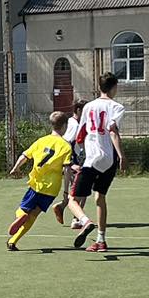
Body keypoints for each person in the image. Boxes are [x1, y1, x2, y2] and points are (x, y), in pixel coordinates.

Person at [67, 73, 127, 252]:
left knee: (72, 199)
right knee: (100, 197)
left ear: (99, 87)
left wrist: (80, 152)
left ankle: (85, 222)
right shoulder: (118, 107)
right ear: (114, 88)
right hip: (109, 159)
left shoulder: (88, 107)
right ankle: (101, 240)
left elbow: (81, 135)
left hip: (92, 159)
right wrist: (121, 156)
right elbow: (113, 130)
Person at [5, 111, 76, 251]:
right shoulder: (66, 146)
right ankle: (13, 241)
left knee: (23, 210)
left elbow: (25, 155)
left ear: (52, 125)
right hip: (51, 189)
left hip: (37, 184)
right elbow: (67, 169)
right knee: (34, 215)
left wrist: (15, 168)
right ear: (64, 126)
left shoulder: (41, 141)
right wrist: (66, 191)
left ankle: (21, 216)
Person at [54, 97, 85, 227]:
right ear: (78, 110)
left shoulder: (77, 123)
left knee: (79, 192)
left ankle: (63, 207)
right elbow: (65, 143)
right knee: (81, 191)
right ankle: (76, 219)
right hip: (73, 163)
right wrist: (71, 163)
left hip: (76, 161)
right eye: (85, 110)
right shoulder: (74, 124)